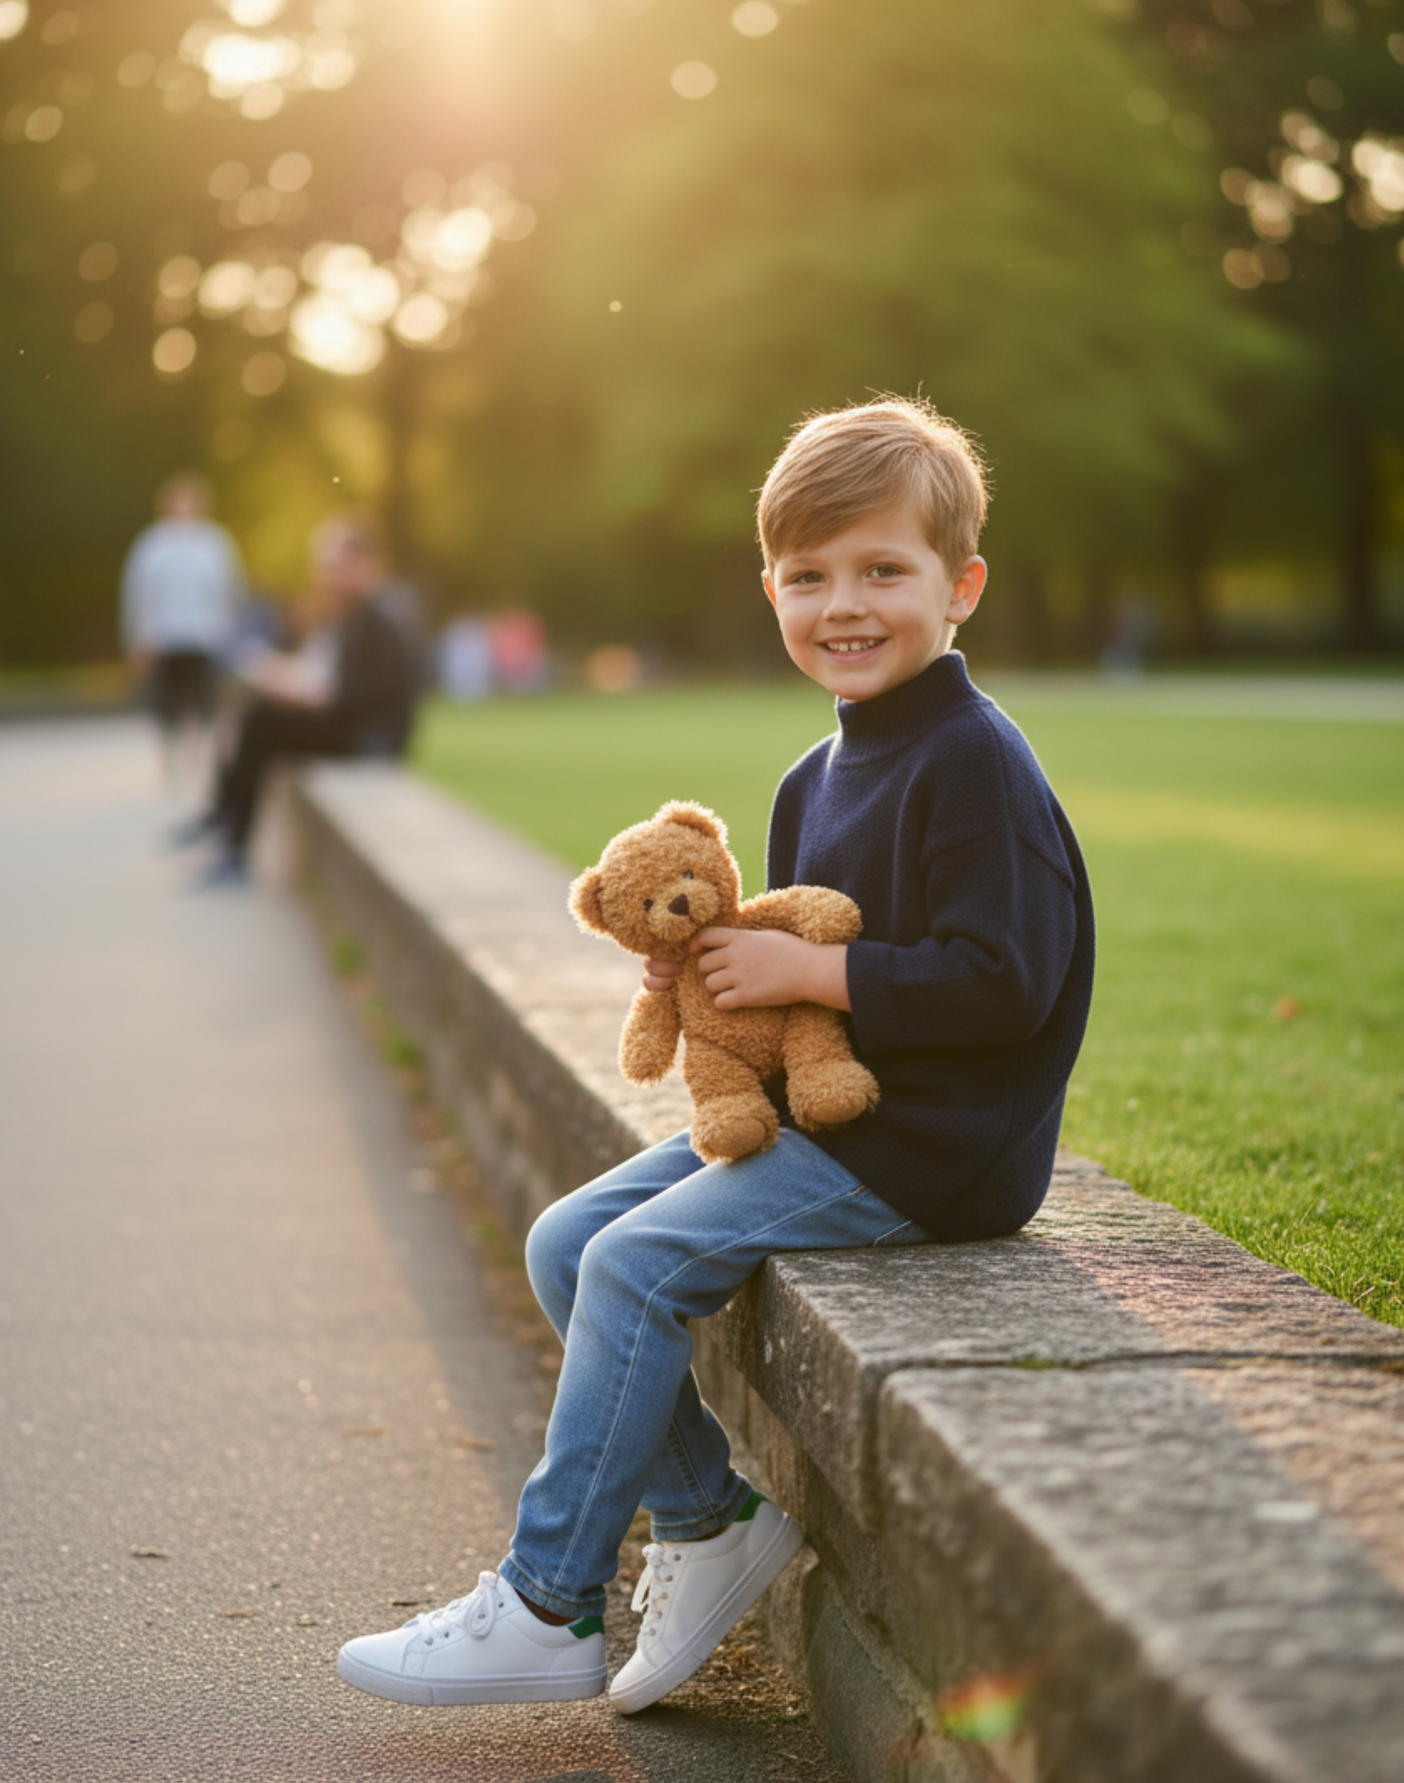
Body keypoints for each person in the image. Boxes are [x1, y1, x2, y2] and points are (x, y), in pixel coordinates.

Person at [336, 398, 1094, 1714]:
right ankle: (709, 1522)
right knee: (567, 1242)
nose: (842, 605)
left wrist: (810, 974)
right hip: (831, 1114)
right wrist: (714, 979)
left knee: (634, 1264)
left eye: (882, 571)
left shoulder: (973, 762)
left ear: (959, 587)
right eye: (809, 576)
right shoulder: (816, 776)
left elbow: (1007, 984)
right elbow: (789, 961)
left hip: (938, 1146)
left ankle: (545, 1597)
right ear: (770, 589)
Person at [180, 511, 416, 884]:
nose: (329, 575)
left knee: (261, 721)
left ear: (364, 564)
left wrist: (297, 691)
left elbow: (346, 694)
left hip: (369, 739)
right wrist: (291, 683)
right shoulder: (356, 615)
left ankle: (232, 843)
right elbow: (330, 680)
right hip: (356, 727)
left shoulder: (379, 618)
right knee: (255, 714)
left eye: (338, 566)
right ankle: (224, 823)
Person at [119, 472, 243, 793]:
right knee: (165, 701)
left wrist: (227, 632)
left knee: (198, 701)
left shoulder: (214, 543)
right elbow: (138, 593)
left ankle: (194, 758)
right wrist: (136, 634)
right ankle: (168, 760)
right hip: (163, 636)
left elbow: (229, 590)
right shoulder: (152, 545)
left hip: (203, 635)